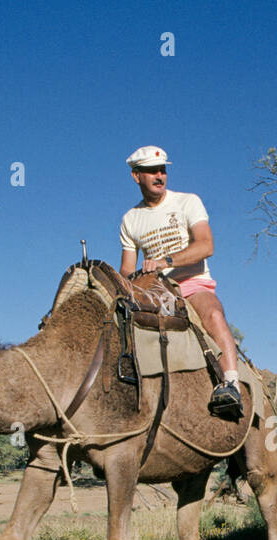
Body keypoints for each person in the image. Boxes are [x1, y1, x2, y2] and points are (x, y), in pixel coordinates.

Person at [118, 145, 243, 419]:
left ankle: (231, 384)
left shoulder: (188, 201)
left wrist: (166, 262)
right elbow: (126, 269)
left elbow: (206, 246)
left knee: (212, 313)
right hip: (154, 291)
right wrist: (128, 283)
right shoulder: (130, 220)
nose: (159, 176)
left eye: (162, 170)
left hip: (192, 281)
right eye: (151, 171)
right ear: (136, 176)